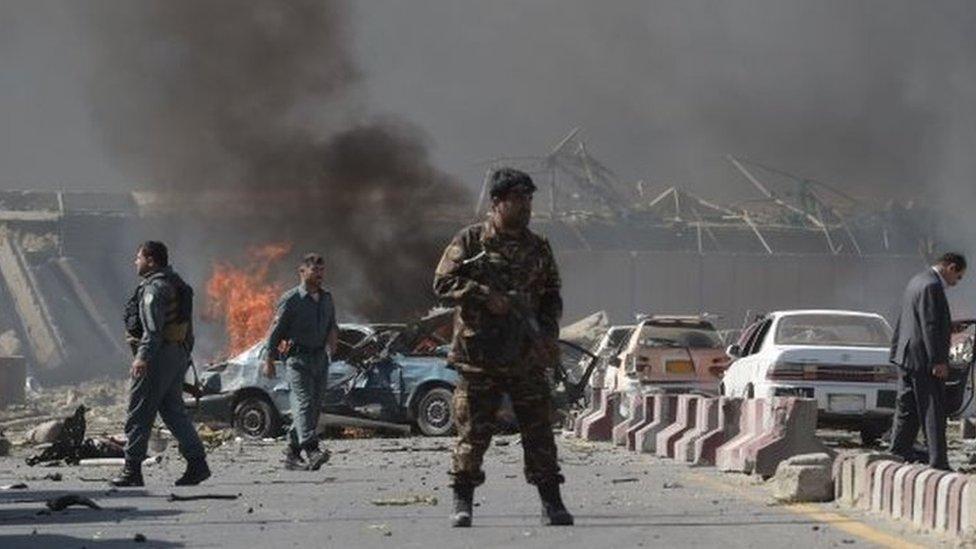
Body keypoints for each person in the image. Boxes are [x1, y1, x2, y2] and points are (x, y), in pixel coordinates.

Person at [433, 167, 573, 527]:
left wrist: (547, 336)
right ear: (497, 202)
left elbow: (551, 297)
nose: (526, 206)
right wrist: (483, 295)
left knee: (539, 432)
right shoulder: (470, 241)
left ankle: (551, 503)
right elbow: (442, 282)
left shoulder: (538, 247)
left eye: (528, 200)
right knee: (473, 434)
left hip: (525, 356)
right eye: (518, 199)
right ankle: (462, 501)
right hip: (479, 357)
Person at [112, 241, 210, 487]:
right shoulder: (178, 285)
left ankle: (131, 470)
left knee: (139, 412)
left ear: (151, 261)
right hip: (176, 354)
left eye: (139, 258)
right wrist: (184, 357)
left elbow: (152, 331)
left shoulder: (154, 289)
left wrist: (142, 357)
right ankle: (198, 463)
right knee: (173, 411)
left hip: (156, 357)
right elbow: (188, 329)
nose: (136, 262)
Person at [889, 252, 967, 470]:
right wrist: (938, 361)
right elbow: (930, 325)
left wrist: (950, 327)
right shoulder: (932, 286)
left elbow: (917, 319)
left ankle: (898, 452)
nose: (956, 283)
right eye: (958, 277)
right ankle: (938, 461)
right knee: (933, 410)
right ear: (950, 267)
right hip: (924, 360)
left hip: (907, 356)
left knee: (907, 408)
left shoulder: (918, 280)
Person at [263, 253, 338, 471]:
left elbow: (332, 325)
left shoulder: (326, 298)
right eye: (315, 270)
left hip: (319, 358)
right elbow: (275, 333)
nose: (319, 275)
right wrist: (269, 359)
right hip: (297, 359)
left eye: (322, 270)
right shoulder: (291, 299)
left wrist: (332, 345)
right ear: (302, 271)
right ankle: (312, 450)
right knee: (303, 402)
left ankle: (292, 453)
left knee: (313, 408)